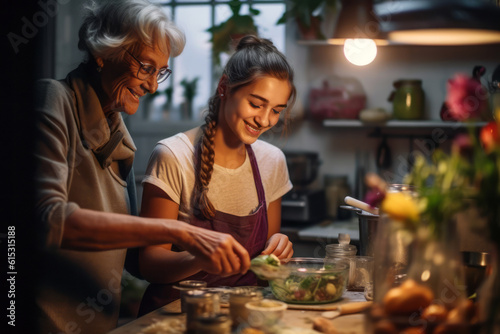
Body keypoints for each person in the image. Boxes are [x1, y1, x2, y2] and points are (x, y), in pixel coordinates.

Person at [33, 1, 249, 333]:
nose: (153, 86)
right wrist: (177, 231)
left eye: (160, 71)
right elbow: (49, 219)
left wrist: (201, 256)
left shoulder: (118, 134)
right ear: (104, 50)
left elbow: (135, 260)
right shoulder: (53, 100)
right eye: (146, 67)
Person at [137, 35, 296, 315]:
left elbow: (267, 265)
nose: (265, 120)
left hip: (245, 316)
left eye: (276, 111)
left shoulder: (273, 161)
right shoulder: (174, 156)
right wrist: (201, 258)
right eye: (256, 104)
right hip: (178, 316)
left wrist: (277, 249)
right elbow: (150, 264)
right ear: (224, 87)